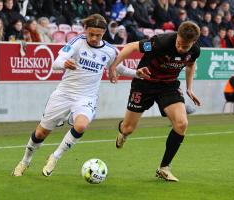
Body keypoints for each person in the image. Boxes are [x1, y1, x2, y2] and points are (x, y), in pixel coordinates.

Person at [12, 14, 150, 177]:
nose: (93, 38)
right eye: (90, 34)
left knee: (81, 125)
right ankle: (25, 161)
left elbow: (119, 68)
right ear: (85, 30)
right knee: (41, 133)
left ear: (104, 33)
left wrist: (137, 74)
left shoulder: (110, 51)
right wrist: (64, 63)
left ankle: (55, 156)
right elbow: (55, 63)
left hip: (86, 98)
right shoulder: (77, 43)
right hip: (64, 94)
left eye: (98, 35)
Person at [109, 21, 201, 182]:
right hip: (144, 83)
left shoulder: (194, 50)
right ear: (177, 35)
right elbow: (131, 46)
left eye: (185, 47)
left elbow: (190, 65)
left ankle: (164, 168)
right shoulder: (161, 42)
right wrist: (114, 66)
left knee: (181, 124)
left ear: (193, 43)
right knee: (128, 128)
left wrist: (189, 88)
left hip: (168, 86)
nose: (181, 48)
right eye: (179, 43)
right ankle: (122, 131)